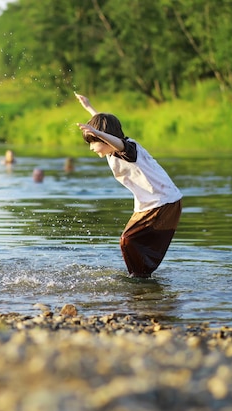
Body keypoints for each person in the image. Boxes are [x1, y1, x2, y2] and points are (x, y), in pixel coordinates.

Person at [75, 92, 182, 278]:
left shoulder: (127, 150)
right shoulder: (113, 148)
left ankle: (139, 279)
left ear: (105, 138)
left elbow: (116, 141)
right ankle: (139, 277)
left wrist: (98, 133)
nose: (91, 148)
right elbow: (108, 128)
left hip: (163, 202)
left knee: (127, 240)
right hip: (152, 204)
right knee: (129, 242)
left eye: (93, 143)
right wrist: (89, 107)